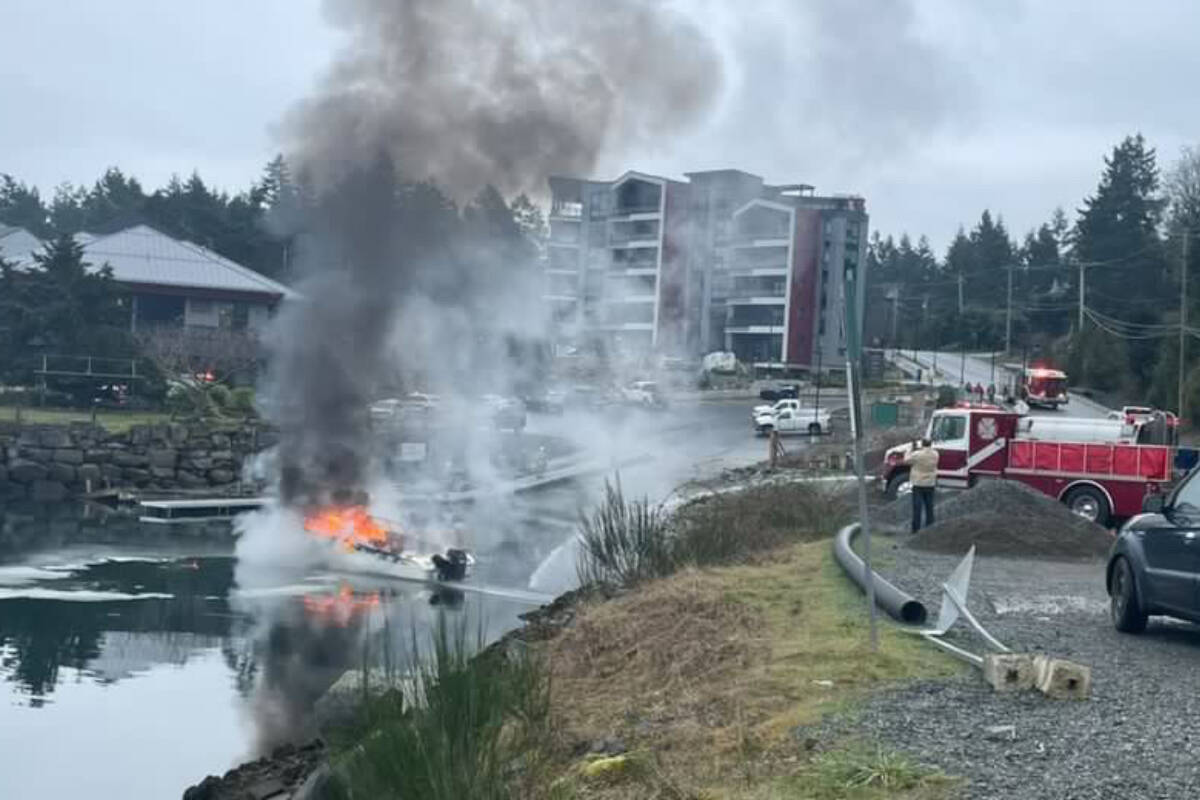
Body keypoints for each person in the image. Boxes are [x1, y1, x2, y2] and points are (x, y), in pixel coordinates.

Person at [904, 438, 939, 533]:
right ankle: (930, 528)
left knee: (917, 508)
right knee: (929, 507)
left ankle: (915, 529)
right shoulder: (935, 454)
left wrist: (909, 450)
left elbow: (906, 460)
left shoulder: (917, 454)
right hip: (930, 483)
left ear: (922, 444)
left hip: (918, 483)